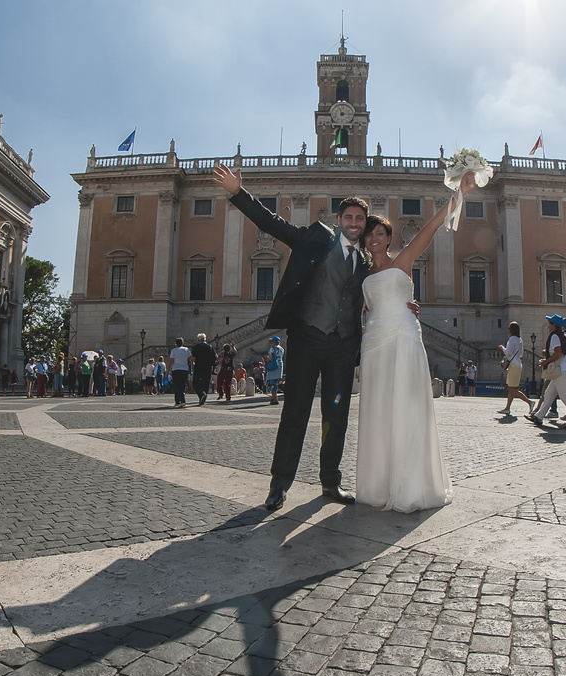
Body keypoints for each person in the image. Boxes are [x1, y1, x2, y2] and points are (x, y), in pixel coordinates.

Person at [212, 162, 381, 510]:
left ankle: (331, 483)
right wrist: (237, 193)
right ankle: (279, 484)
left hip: (343, 346)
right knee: (295, 413)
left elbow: (374, 298)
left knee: (337, 418)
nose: (353, 223)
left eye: (359, 220)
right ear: (339, 220)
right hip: (306, 339)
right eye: (348, 217)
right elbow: (273, 223)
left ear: (364, 225)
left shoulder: (365, 261)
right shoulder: (316, 238)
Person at [353, 184, 472, 511]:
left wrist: (459, 193)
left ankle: (410, 486)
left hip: (404, 337)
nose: (375, 238)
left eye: (380, 233)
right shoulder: (362, 274)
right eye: (370, 234)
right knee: (377, 410)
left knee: (406, 407)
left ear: (389, 238)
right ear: (364, 240)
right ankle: (377, 486)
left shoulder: (403, 259)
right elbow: (356, 308)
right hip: (374, 343)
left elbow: (431, 227)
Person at [530, 315, 566, 429]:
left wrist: (546, 362)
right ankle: (539, 416)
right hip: (564, 369)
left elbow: (558, 353)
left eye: (549, 324)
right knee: (549, 394)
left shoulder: (555, 336)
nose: (548, 326)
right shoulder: (561, 336)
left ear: (554, 325)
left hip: (560, 371)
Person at [499, 322, 532, 417]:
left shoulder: (512, 339)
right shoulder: (519, 340)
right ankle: (507, 408)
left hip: (513, 365)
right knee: (511, 388)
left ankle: (529, 402)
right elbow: (521, 354)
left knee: (512, 389)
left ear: (511, 330)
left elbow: (508, 352)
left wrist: (502, 348)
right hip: (518, 364)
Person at [191, 334, 216, 407]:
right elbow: (215, 357)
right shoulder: (210, 347)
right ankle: (202, 398)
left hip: (198, 366)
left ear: (198, 339)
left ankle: (201, 394)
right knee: (205, 383)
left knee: (195, 383)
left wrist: (193, 364)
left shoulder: (196, 347)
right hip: (208, 367)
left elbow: (193, 358)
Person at [168, 338, 192, 407]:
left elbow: (171, 361)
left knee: (176, 385)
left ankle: (179, 401)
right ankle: (180, 400)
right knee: (183, 385)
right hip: (184, 369)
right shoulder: (186, 350)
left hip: (176, 369)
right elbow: (191, 359)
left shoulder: (174, 351)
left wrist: (168, 371)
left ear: (176, 343)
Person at [264, 336, 284, 406]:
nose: (270, 343)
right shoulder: (281, 349)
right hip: (279, 366)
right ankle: (274, 398)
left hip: (273, 366)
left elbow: (270, 358)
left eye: (271, 342)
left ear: (275, 342)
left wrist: (266, 358)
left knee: (272, 383)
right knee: (276, 383)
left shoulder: (272, 349)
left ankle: (274, 399)